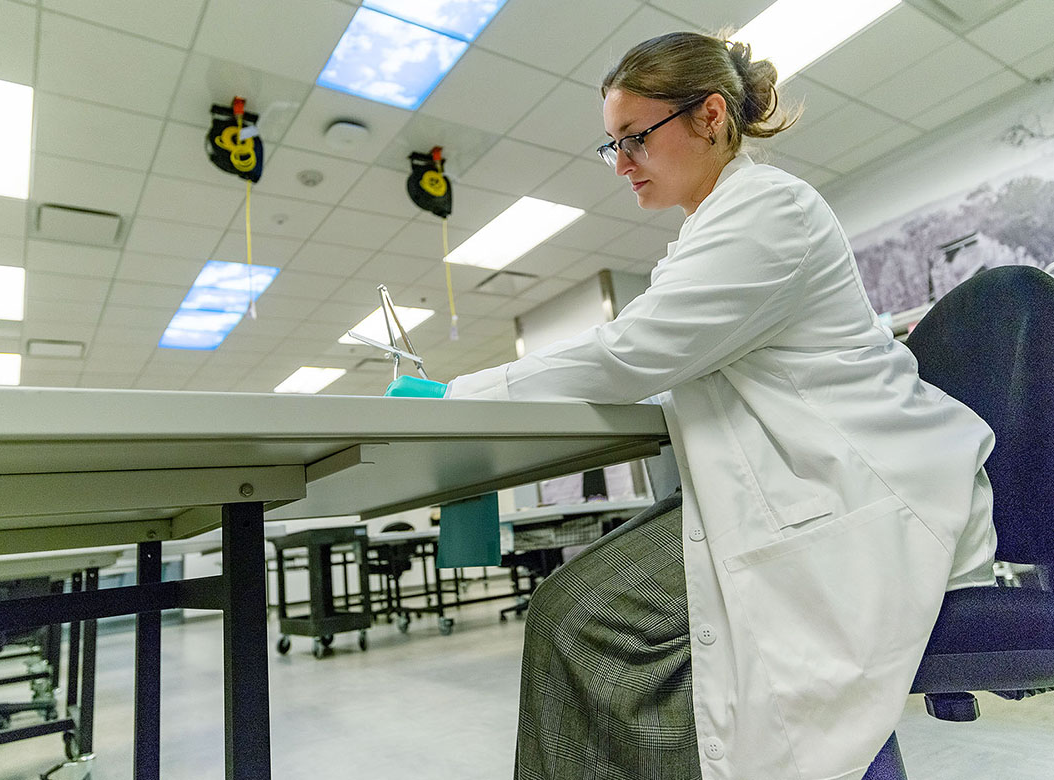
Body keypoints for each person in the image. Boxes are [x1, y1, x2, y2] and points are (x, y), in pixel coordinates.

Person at [392, 31, 999, 780]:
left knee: (578, 619)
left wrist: (457, 394)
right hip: (784, 484)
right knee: (578, 615)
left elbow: (634, 351)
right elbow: (655, 352)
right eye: (609, 145)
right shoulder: (703, 237)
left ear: (710, 117)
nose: (620, 165)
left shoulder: (770, 210)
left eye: (635, 139)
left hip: (846, 493)